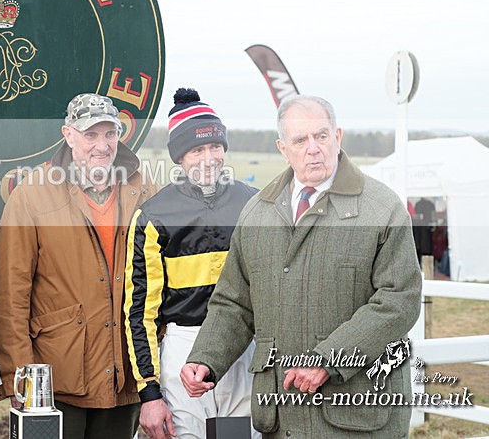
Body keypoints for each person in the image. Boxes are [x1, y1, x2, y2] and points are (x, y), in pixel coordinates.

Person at [181, 95, 422, 437]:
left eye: (321, 136)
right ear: (283, 148)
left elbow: (400, 301)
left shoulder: (382, 209)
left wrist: (329, 359)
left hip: (358, 415)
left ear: (337, 137)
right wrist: (206, 358)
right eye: (300, 140)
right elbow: (234, 303)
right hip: (282, 416)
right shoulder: (256, 213)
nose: (313, 148)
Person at [0, 93, 157, 438]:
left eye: (109, 133)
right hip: (57, 378)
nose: (102, 145)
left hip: (123, 374)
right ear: (68, 134)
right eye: (91, 134)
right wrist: (21, 380)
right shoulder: (33, 193)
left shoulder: (143, 188)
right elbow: (11, 294)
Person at [124, 88, 259, 439]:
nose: (208, 158)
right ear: (180, 157)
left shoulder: (253, 203)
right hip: (183, 348)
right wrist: (149, 394)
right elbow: (140, 313)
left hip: (243, 348)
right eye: (197, 149)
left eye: (215, 147)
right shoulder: (153, 215)